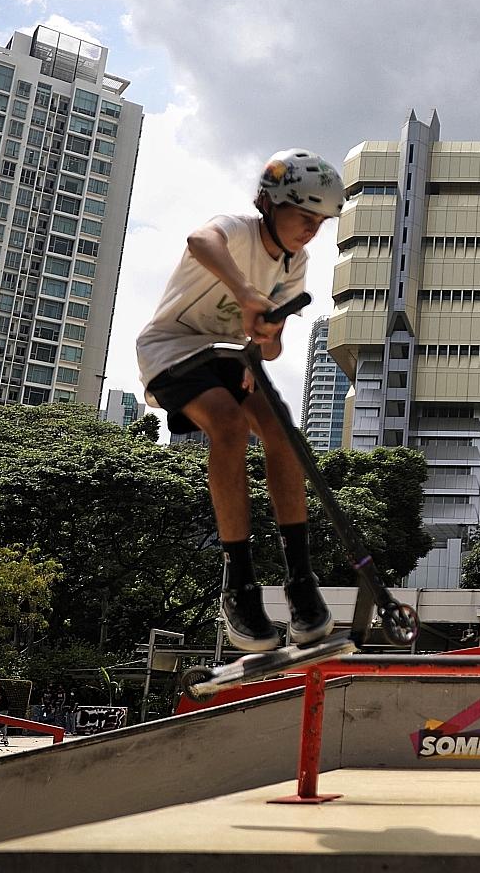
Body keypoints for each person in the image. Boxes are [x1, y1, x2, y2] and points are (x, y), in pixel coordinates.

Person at [136, 148, 348, 652]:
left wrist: (267, 332)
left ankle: (300, 578)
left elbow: (270, 350)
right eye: (303, 216)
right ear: (271, 203)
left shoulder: (296, 264)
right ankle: (239, 584)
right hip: (173, 348)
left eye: (320, 221)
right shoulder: (235, 228)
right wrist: (248, 293)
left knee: (285, 437)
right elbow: (198, 240)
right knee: (229, 425)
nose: (310, 229)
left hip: (231, 356)